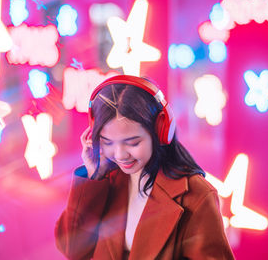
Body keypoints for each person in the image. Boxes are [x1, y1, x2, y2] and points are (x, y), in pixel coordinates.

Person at [55, 75, 235, 260]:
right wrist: (94, 178)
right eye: (108, 142)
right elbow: (72, 248)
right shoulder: (108, 179)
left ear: (161, 131)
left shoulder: (196, 195)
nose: (119, 155)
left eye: (132, 143)